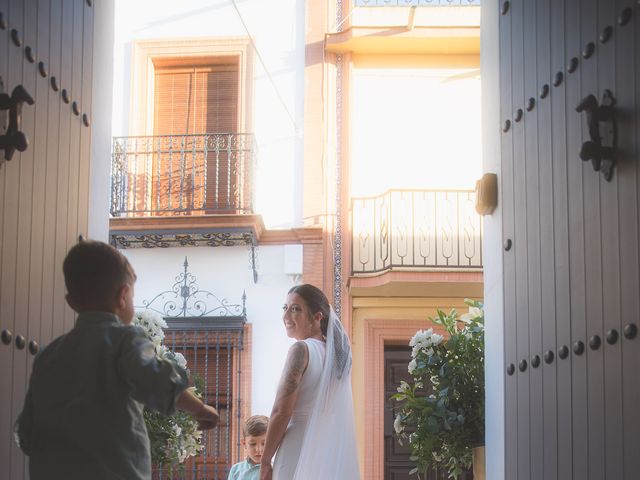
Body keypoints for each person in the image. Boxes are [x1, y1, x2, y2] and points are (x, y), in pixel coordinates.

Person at [14, 240, 219, 480]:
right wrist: (201, 409)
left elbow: (26, 432)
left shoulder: (47, 355)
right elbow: (159, 382)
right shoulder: (125, 340)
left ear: (71, 302)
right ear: (123, 296)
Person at [260, 284, 360, 480]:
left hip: (297, 446)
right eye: (285, 308)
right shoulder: (340, 360)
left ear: (317, 317)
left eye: (295, 309)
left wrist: (265, 461)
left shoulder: (301, 350)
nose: (286, 316)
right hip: (329, 448)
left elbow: (282, 411)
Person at [228, 414, 269, 480]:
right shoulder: (235, 470)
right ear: (244, 443)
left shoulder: (275, 469)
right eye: (252, 444)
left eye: (264, 444)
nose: (258, 449)